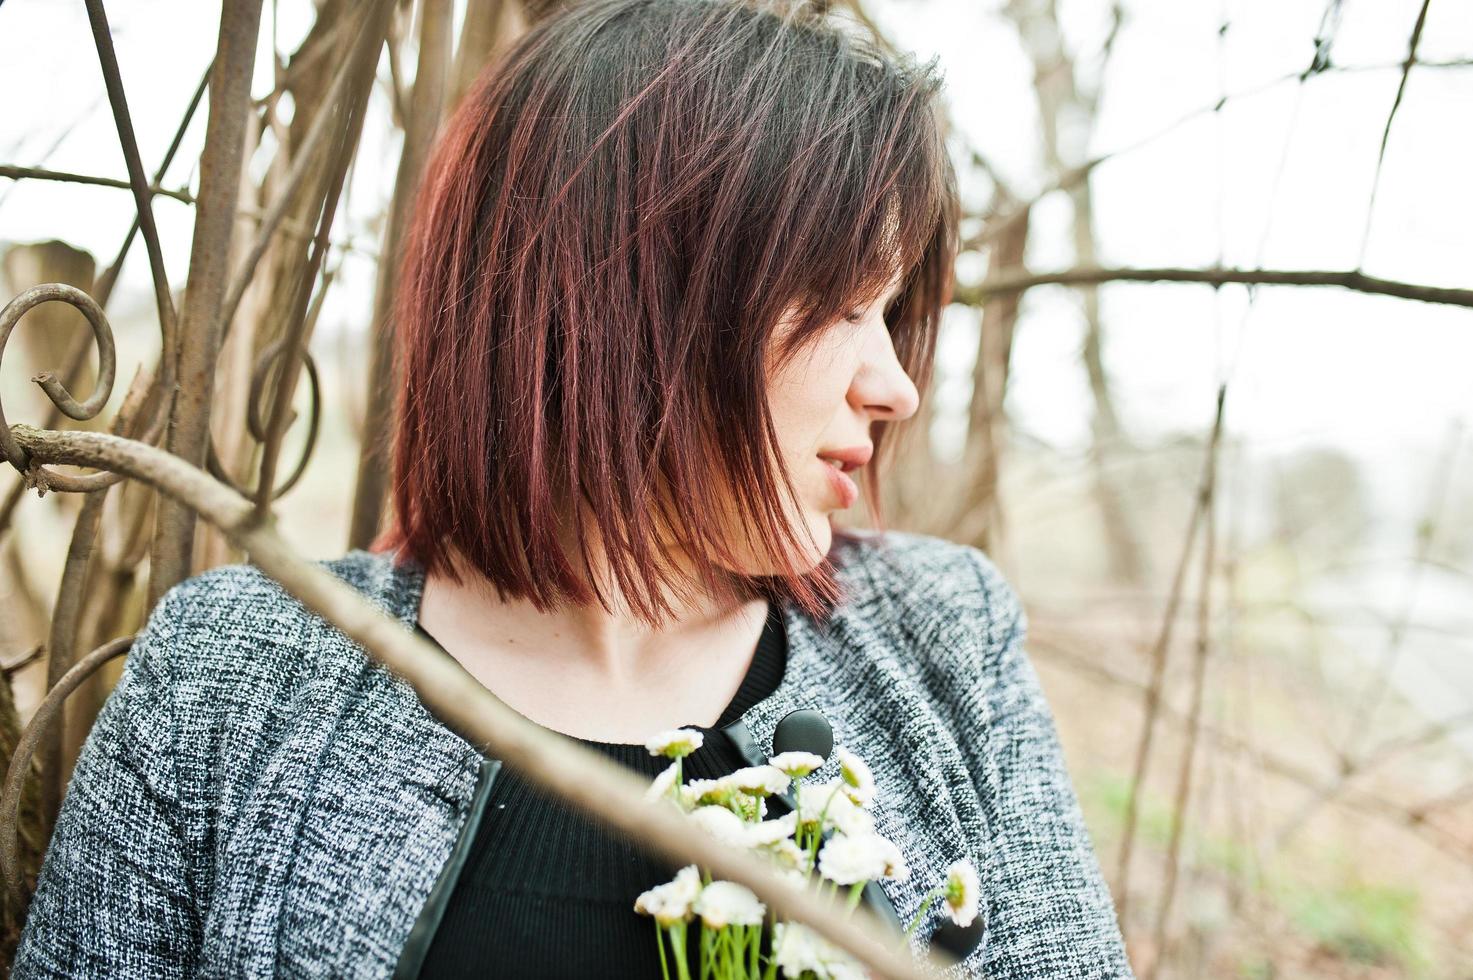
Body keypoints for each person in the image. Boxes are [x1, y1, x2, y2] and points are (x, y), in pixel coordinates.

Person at [14, 0, 1132, 976]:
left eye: (892, 317)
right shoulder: (236, 679)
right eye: (844, 305)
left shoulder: (943, 637)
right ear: (630, 303)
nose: (896, 387)